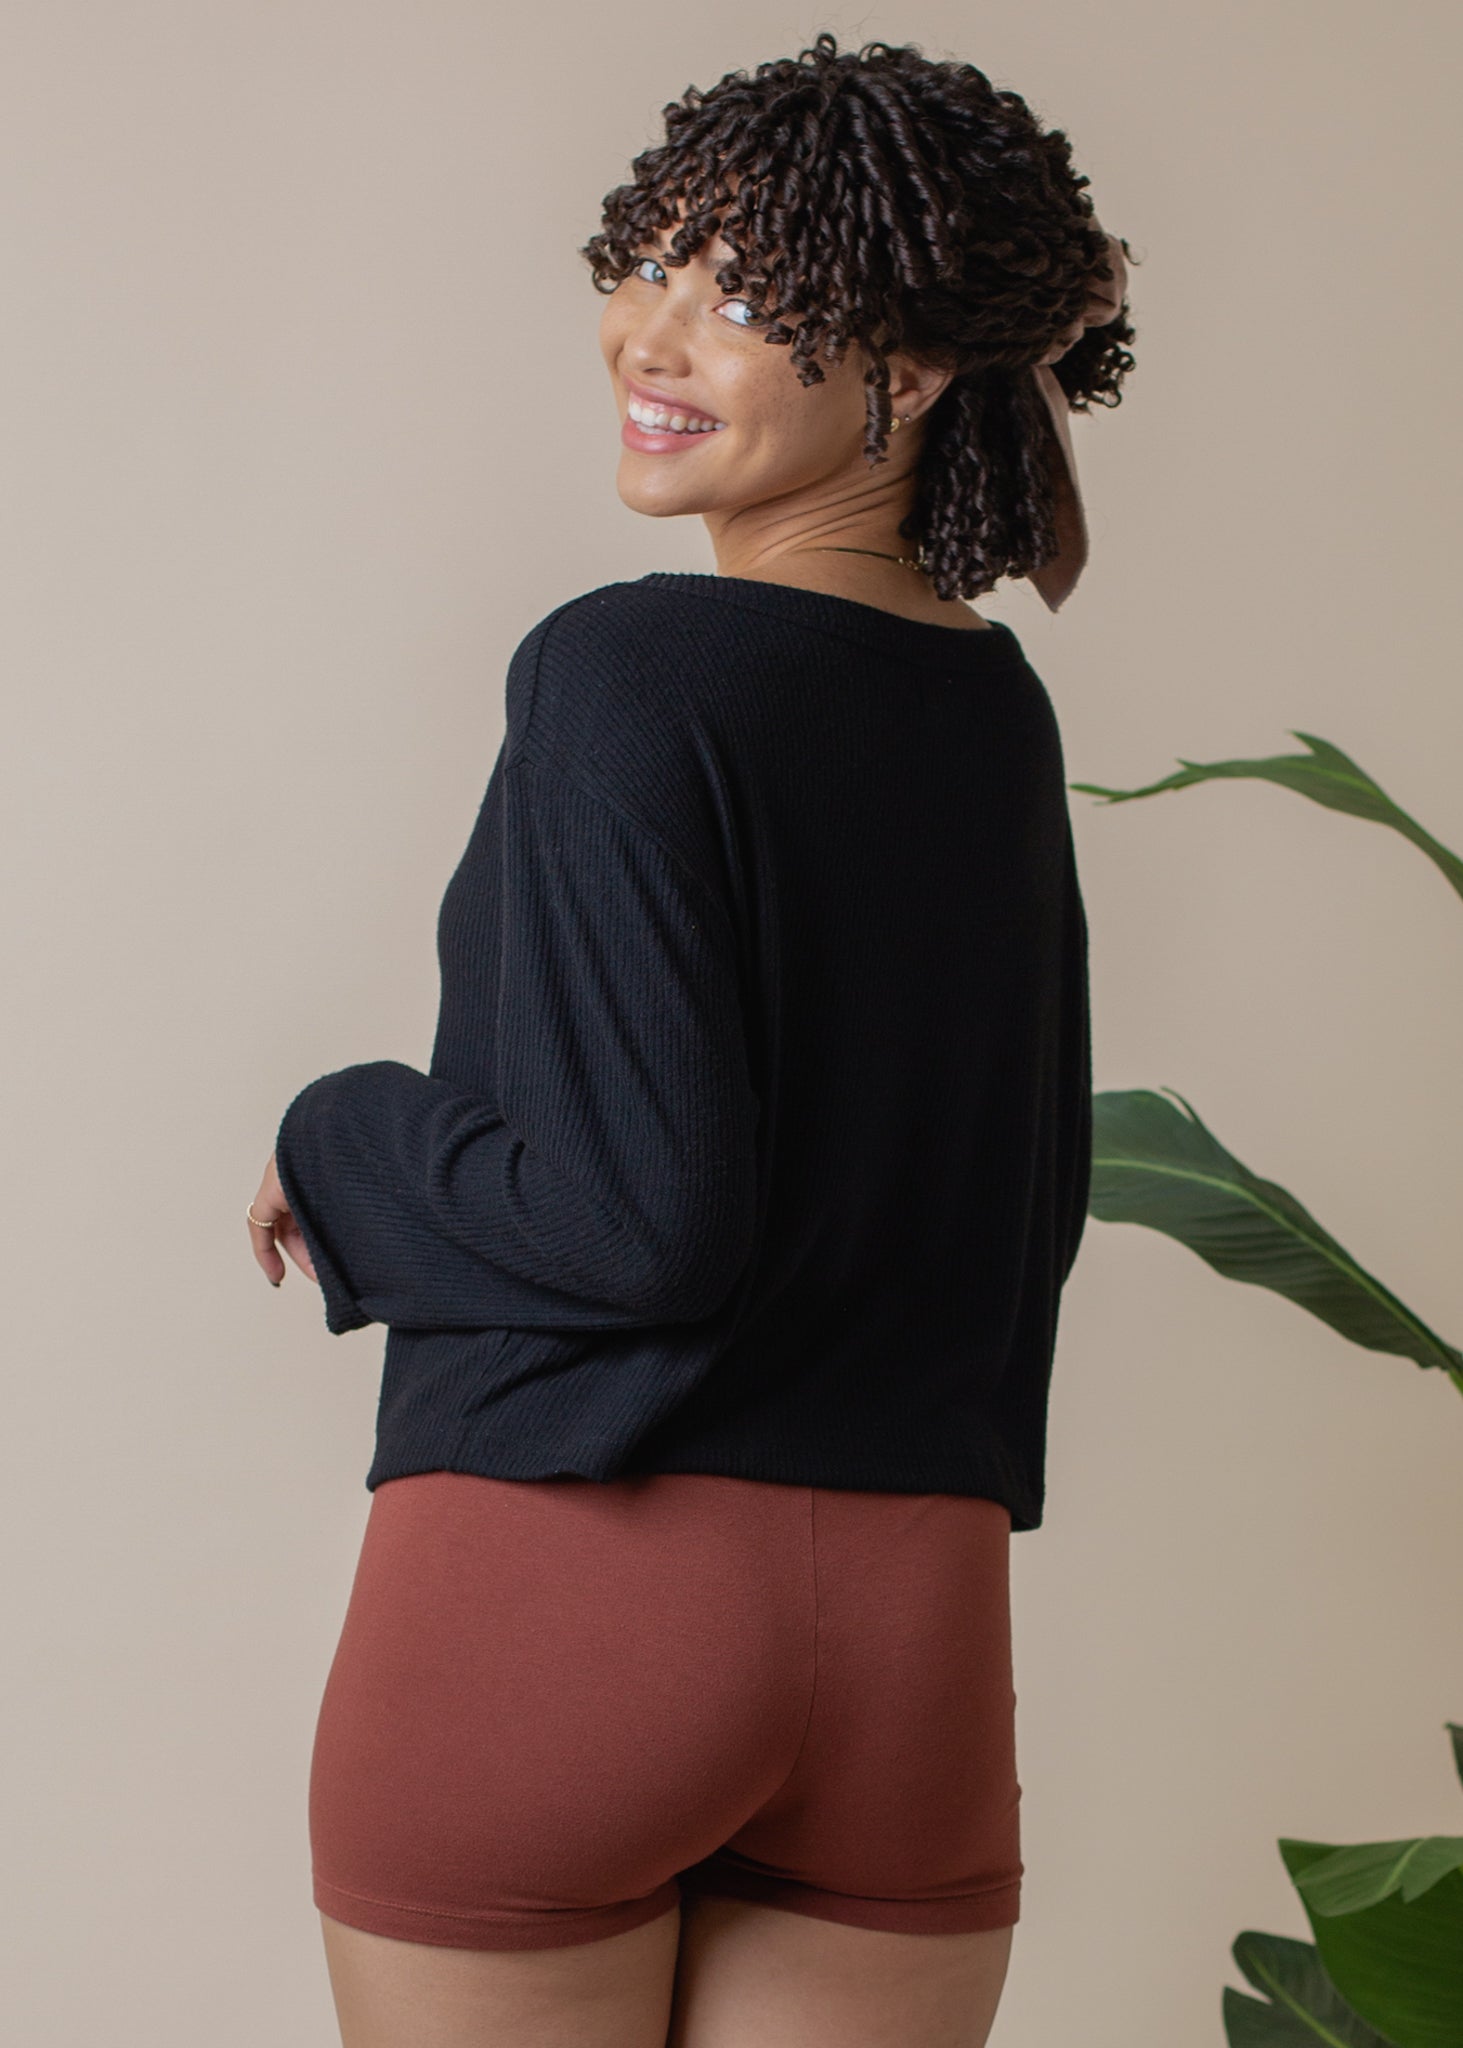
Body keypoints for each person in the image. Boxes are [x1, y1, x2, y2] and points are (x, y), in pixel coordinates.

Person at [246, 32, 1135, 2048]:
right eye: (643, 265)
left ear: (907, 371)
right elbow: (1034, 1204)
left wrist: (341, 1134)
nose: (645, 330)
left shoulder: (623, 670)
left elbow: (647, 1223)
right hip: (912, 1640)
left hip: (569, 1596)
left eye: (737, 293)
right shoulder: (992, 712)